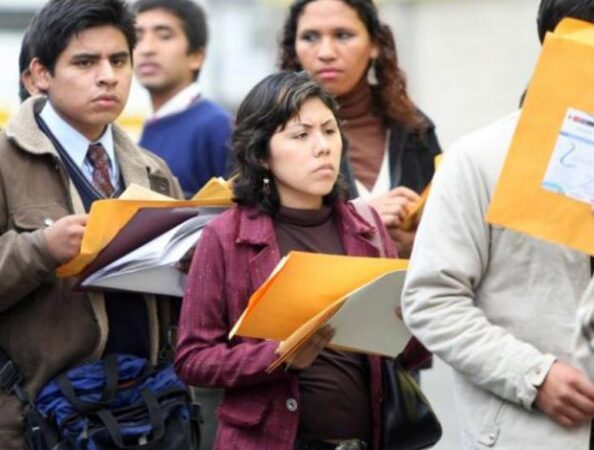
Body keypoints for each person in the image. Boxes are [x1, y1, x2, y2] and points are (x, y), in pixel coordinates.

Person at [0, 0, 182, 448]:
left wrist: (192, 263)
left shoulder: (154, 172)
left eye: (119, 60)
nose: (108, 76)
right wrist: (38, 249)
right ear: (39, 75)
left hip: (144, 418)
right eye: (85, 61)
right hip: (34, 424)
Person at [174, 71, 428, 450]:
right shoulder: (225, 236)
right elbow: (193, 358)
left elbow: (405, 354)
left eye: (329, 130)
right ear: (261, 154)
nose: (322, 146)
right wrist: (278, 356)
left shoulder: (367, 227)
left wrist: (414, 323)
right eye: (300, 134)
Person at [401, 1, 594, 448]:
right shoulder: (479, 159)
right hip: (529, 433)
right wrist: (532, 377)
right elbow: (431, 298)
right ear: (554, 46)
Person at [278, 0, 441, 257]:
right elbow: (254, 231)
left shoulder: (414, 128)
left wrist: (418, 242)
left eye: (343, 35)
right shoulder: (267, 131)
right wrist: (360, 218)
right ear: (293, 48)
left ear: (375, 44)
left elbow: (446, 226)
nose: (326, 52)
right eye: (310, 37)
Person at [133, 0, 232, 198]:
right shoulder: (154, 125)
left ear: (196, 56)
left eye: (164, 36)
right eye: (137, 37)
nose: (146, 49)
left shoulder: (216, 127)